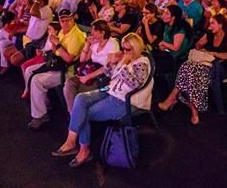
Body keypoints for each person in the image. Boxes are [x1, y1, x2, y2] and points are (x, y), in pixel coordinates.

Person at [51, 33, 152, 168]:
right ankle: (71, 140)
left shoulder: (142, 63)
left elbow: (134, 83)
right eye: (123, 48)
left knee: (84, 113)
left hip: (126, 101)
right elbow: (109, 74)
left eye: (128, 49)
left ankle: (83, 150)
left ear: (136, 48)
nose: (125, 52)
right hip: (111, 91)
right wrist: (112, 63)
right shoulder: (126, 58)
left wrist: (123, 63)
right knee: (80, 99)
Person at [158, 13, 227, 125]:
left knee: (189, 71)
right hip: (202, 63)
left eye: (213, 23)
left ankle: (173, 98)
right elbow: (198, 43)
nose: (210, 26)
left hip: (217, 67)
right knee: (187, 68)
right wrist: (199, 46)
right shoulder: (209, 34)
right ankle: (193, 111)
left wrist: (212, 53)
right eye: (210, 23)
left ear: (221, 25)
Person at [25, 10, 87, 130]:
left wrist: (57, 44)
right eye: (62, 21)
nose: (66, 23)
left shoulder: (77, 36)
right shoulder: (63, 31)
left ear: (73, 19)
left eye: (68, 20)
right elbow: (55, 51)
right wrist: (53, 42)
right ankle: (44, 104)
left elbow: (69, 59)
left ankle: (40, 116)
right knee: (29, 70)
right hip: (55, 63)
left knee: (36, 80)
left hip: (66, 70)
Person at [63, 19, 119, 112]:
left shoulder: (112, 43)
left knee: (75, 91)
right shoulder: (95, 43)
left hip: (101, 77)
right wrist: (87, 44)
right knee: (69, 82)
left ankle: (76, 116)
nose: (91, 33)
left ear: (102, 32)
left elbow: (107, 67)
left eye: (94, 31)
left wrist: (88, 77)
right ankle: (73, 114)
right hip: (89, 71)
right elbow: (82, 60)